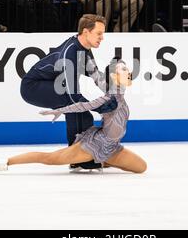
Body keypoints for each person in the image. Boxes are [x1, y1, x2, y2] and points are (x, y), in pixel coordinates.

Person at [0, 57, 147, 175]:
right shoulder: (109, 99)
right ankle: (0, 161)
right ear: (113, 75)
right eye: (124, 68)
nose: (129, 71)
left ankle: (98, 161)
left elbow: (98, 79)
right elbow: (83, 106)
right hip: (95, 145)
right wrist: (59, 110)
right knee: (49, 158)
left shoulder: (117, 94)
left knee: (141, 167)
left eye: (127, 69)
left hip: (112, 147)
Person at [19, 14, 118, 171]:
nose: (102, 38)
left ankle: (78, 158)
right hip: (33, 87)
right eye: (99, 33)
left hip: (52, 84)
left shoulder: (84, 49)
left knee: (79, 111)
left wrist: (114, 93)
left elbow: (96, 76)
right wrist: (100, 107)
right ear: (86, 32)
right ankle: (80, 158)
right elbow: (73, 95)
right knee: (76, 107)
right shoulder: (70, 54)